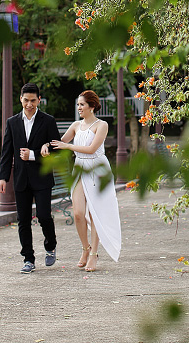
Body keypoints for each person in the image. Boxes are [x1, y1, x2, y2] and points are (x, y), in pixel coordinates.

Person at [45, 90, 121, 271]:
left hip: (97, 168)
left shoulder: (101, 125)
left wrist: (68, 146)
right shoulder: (76, 125)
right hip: (79, 168)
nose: (79, 108)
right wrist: (46, 145)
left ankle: (94, 254)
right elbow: (59, 143)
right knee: (78, 213)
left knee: (95, 213)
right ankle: (85, 248)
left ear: (92, 106)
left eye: (82, 104)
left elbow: (93, 149)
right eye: (78, 104)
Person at [0, 82, 62, 273]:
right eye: (26, 100)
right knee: (23, 220)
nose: (29, 104)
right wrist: (3, 178)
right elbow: (6, 153)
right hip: (21, 179)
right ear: (21, 99)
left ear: (39, 100)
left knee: (43, 216)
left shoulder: (48, 121)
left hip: (42, 178)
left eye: (33, 100)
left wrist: (35, 153)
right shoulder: (12, 122)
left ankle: (50, 246)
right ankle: (28, 259)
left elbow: (56, 150)